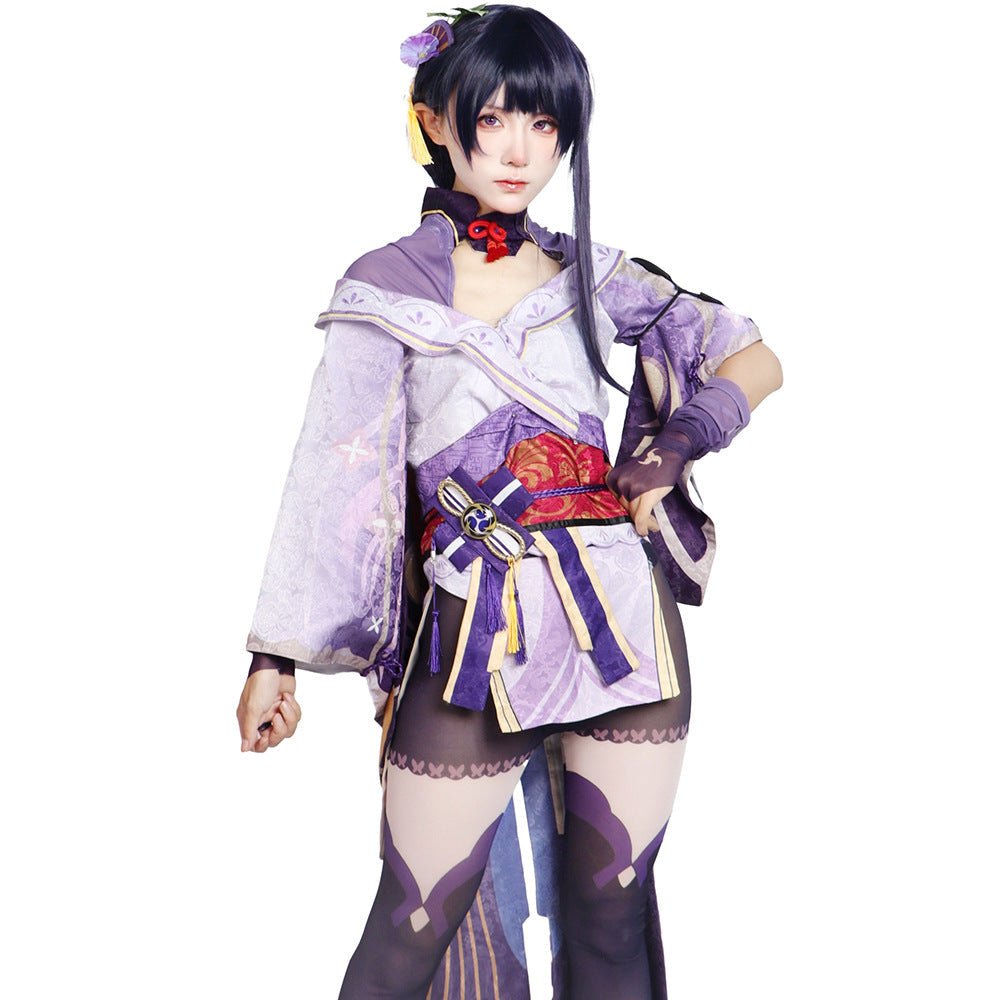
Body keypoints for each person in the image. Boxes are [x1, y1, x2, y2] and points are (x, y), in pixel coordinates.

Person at [236, 6, 782, 999]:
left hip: (620, 615)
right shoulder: (383, 288)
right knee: (410, 925)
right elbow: (331, 475)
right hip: (474, 627)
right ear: (435, 122)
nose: (521, 151)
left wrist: (674, 447)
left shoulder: (592, 273)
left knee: (611, 920)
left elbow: (752, 355)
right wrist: (276, 657)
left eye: (544, 124)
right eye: (492, 120)